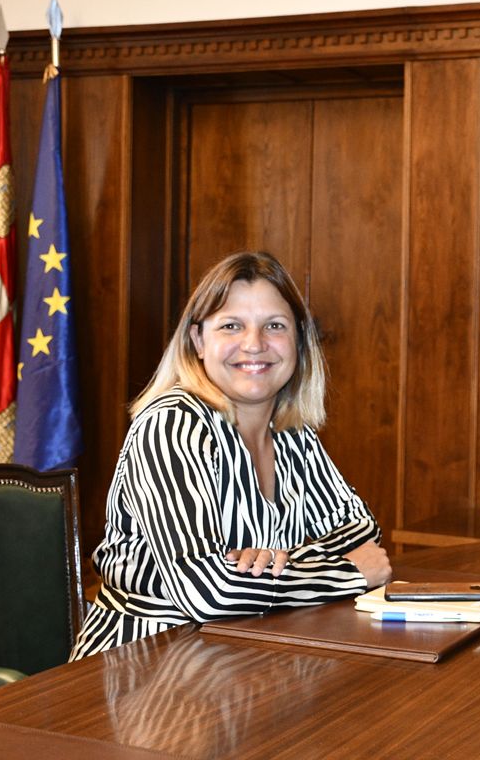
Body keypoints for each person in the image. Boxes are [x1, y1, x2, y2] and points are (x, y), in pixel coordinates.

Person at [70, 252, 391, 660]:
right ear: (198, 340)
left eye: (274, 326)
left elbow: (362, 534)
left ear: (298, 341)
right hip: (145, 663)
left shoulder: (293, 433)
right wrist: (346, 575)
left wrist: (281, 560)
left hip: (248, 652)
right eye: (231, 326)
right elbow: (206, 591)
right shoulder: (173, 425)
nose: (254, 344)